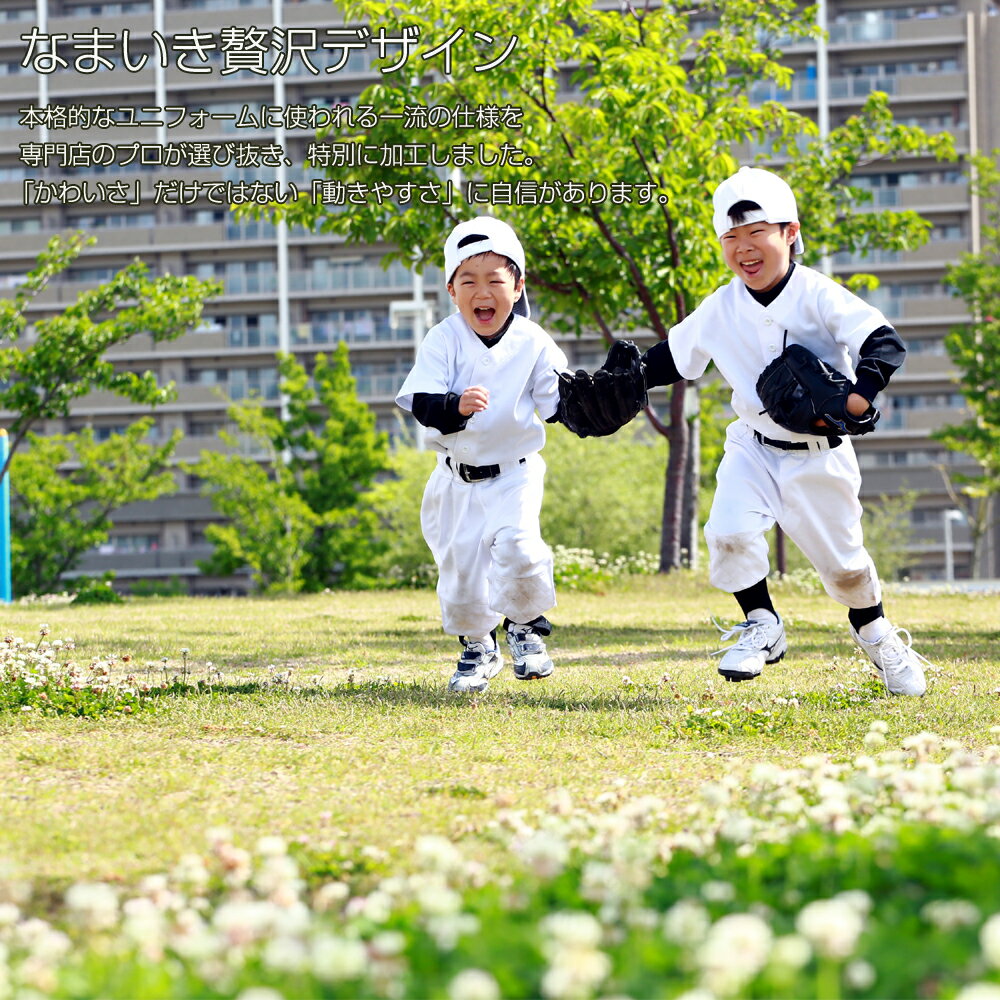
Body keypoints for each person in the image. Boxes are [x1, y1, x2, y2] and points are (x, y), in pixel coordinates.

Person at [641, 166, 931, 696]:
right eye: (731, 237)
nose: (744, 249)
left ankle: (876, 633)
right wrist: (623, 381)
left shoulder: (819, 294)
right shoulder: (720, 306)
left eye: (757, 234)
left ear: (789, 233)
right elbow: (672, 358)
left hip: (820, 455)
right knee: (727, 533)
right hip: (752, 445)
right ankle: (762, 625)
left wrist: (857, 397)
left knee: (845, 570)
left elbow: (883, 341)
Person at [395, 216, 568, 693]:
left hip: (515, 472)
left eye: (495, 279)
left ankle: (526, 630)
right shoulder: (443, 338)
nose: (482, 291)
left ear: (517, 285)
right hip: (454, 478)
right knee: (461, 572)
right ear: (452, 290)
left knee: (519, 546)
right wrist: (454, 406)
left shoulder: (534, 341)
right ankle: (478, 647)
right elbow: (423, 403)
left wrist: (599, 403)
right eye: (468, 280)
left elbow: (561, 404)